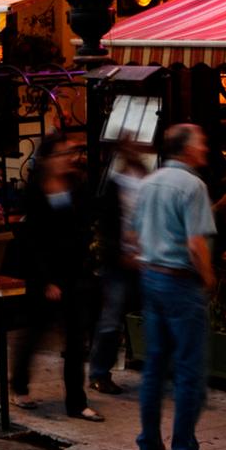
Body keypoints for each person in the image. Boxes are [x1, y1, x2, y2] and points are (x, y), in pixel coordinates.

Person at [135, 123, 223, 450]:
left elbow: (136, 233)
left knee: (154, 367)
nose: (205, 148)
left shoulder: (149, 183)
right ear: (186, 149)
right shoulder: (193, 186)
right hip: (180, 281)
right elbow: (195, 242)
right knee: (189, 368)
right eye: (201, 142)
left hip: (151, 276)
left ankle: (149, 442)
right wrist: (208, 277)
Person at [9, 132, 101, 421]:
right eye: (63, 154)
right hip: (44, 275)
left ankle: (77, 402)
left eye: (70, 154)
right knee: (35, 333)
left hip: (75, 274)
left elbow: (85, 225)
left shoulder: (77, 186)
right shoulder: (35, 191)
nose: (69, 159)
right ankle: (19, 385)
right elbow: (33, 241)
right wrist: (46, 280)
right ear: (48, 159)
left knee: (76, 342)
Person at [87, 140, 149, 396]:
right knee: (111, 319)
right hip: (121, 261)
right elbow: (106, 225)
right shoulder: (113, 184)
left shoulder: (145, 180)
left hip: (142, 259)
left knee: (128, 316)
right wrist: (120, 254)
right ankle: (100, 373)